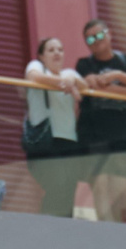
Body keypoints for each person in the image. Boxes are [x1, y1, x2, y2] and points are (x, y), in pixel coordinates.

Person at [73, 20, 126, 223]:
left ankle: (116, 232)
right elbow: (96, 87)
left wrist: (117, 75)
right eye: (90, 38)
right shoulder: (84, 64)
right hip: (93, 137)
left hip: (121, 139)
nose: (95, 41)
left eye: (99, 35)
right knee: (100, 189)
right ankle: (108, 236)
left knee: (122, 194)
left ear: (109, 34)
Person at [23, 35, 87, 218]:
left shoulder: (69, 74)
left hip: (69, 142)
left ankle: (61, 231)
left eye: (60, 49)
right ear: (42, 56)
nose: (57, 53)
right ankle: (48, 228)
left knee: (68, 191)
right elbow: (33, 77)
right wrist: (62, 84)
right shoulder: (36, 66)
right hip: (45, 139)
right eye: (51, 50)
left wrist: (72, 82)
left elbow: (84, 87)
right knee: (57, 185)